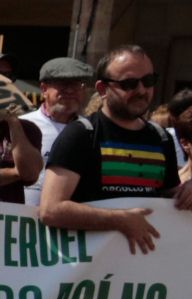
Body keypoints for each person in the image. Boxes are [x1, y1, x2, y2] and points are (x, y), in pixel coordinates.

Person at [39, 45, 192, 253]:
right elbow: (50, 209)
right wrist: (119, 219)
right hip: (87, 271)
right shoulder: (81, 134)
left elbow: (168, 196)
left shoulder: (161, 137)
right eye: (129, 83)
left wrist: (187, 191)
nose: (141, 90)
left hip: (143, 272)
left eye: (148, 81)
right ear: (102, 89)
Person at [20, 57, 91, 207]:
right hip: (22, 221)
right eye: (63, 84)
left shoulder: (91, 130)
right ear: (44, 89)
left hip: (72, 223)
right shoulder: (22, 125)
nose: (70, 91)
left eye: (77, 85)